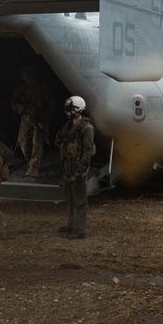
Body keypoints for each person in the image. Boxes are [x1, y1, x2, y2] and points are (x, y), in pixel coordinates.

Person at [55, 95, 95, 239]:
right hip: (68, 166)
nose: (67, 112)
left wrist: (81, 169)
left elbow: (87, 150)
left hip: (78, 167)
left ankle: (80, 229)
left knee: (80, 201)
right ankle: (71, 224)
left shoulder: (87, 129)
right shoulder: (68, 126)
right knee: (70, 199)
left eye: (69, 109)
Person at [10, 66, 54, 176]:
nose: (29, 80)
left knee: (37, 142)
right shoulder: (20, 90)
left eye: (31, 78)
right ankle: (31, 160)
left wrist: (44, 118)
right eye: (27, 78)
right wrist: (21, 108)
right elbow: (13, 101)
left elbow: (51, 106)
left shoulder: (43, 89)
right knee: (23, 142)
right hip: (26, 118)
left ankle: (34, 166)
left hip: (41, 118)